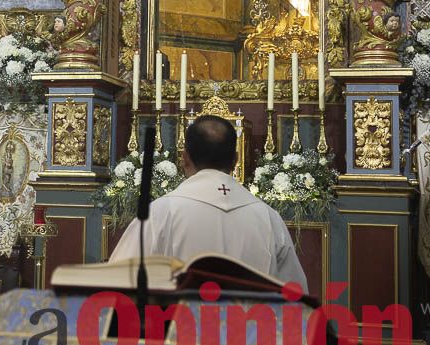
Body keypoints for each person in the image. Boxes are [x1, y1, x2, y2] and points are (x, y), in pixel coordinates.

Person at [109, 115, 308, 290]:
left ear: (185, 159)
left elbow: (118, 282)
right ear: (236, 160)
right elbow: (294, 294)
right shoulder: (268, 217)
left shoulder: (160, 213)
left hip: (176, 330)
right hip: (251, 330)